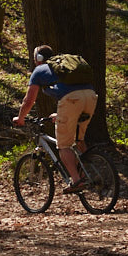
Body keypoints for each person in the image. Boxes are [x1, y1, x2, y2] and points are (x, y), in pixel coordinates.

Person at [12, 44, 98, 194]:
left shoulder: (39, 70)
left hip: (72, 100)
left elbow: (29, 100)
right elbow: (72, 91)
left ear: (38, 59)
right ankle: (88, 173)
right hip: (90, 97)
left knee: (64, 145)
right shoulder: (64, 67)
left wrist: (20, 118)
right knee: (79, 139)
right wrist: (60, 115)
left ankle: (77, 180)